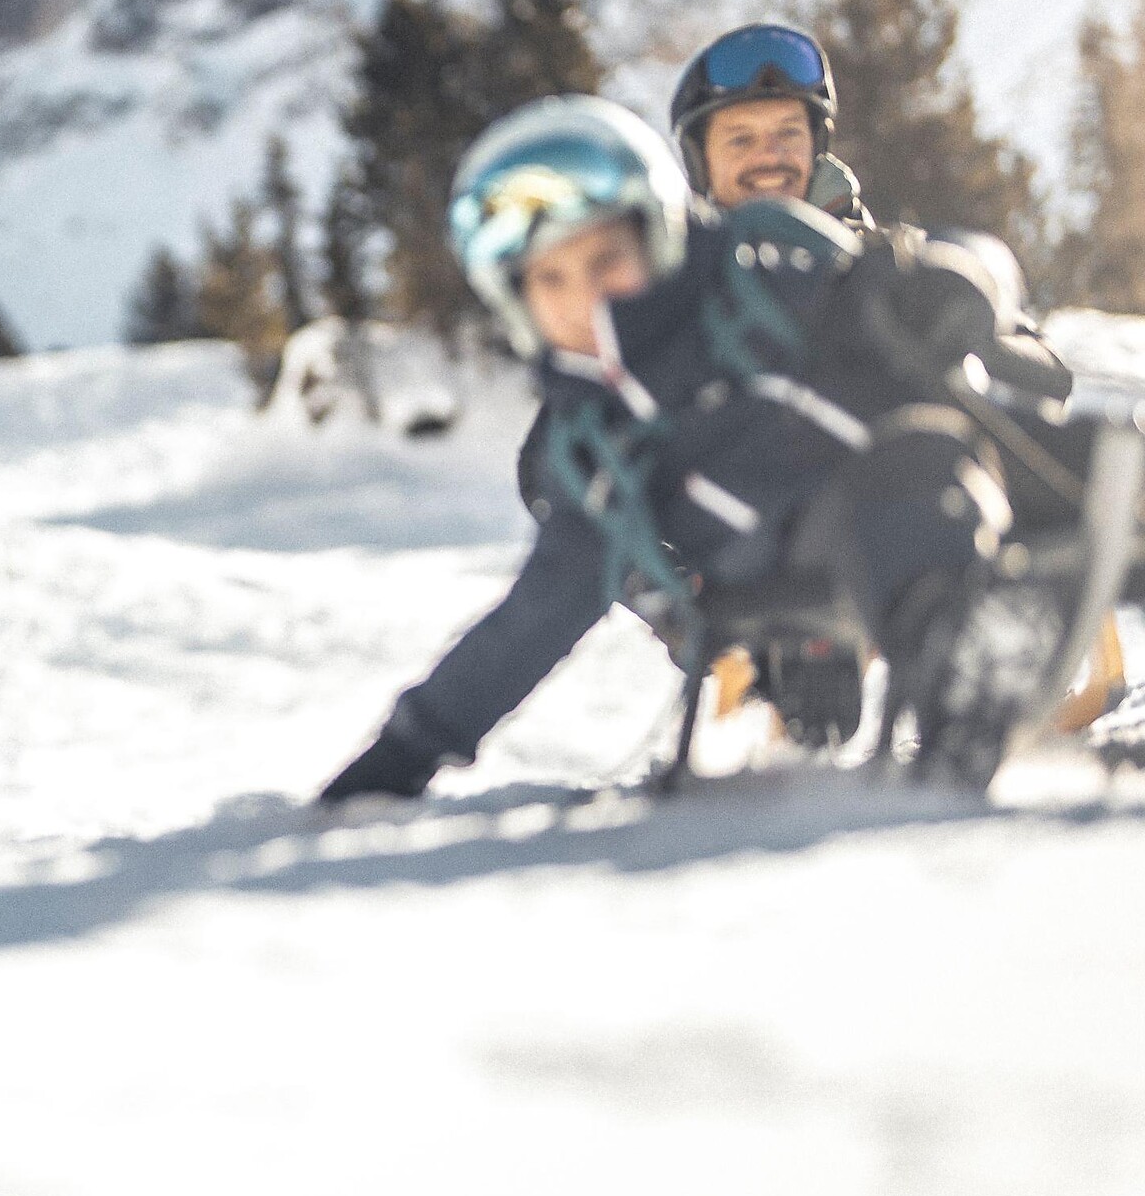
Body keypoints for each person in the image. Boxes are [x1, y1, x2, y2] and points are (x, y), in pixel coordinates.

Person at [319, 95, 1113, 804]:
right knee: (907, 476)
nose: (585, 300)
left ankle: (1007, 632)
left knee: (1094, 465)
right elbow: (535, 617)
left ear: (657, 238)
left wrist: (938, 292)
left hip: (957, 476)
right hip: (791, 572)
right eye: (551, 282)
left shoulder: (755, 294)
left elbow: (881, 287)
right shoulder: (595, 448)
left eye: (607, 262)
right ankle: (964, 684)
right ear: (514, 299)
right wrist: (406, 750)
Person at [665, 22, 1084, 747]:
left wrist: (974, 327)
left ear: (817, 145)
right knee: (814, 703)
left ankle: (1027, 690)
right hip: (780, 539)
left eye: (786, 136)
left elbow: (1027, 361)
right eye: (741, 140)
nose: (769, 158)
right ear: (701, 164)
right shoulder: (681, 302)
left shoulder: (885, 262)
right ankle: (801, 676)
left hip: (937, 491)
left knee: (1085, 474)